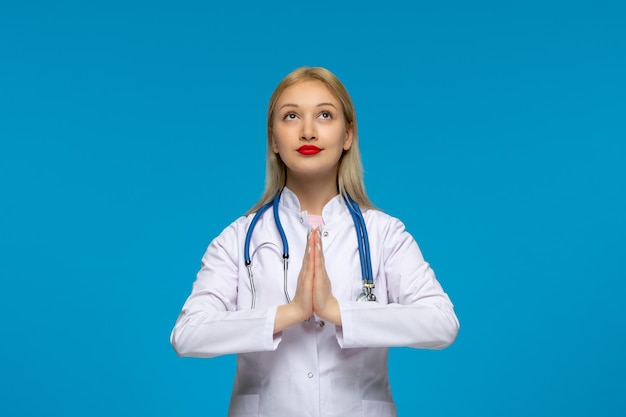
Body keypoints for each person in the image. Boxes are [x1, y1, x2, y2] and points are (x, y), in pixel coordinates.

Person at [170, 66, 459, 417]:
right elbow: (187, 335)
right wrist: (289, 313)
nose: (308, 131)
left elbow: (441, 323)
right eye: (291, 116)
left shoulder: (384, 234)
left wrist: (336, 311)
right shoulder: (238, 238)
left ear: (348, 135)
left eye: (325, 115)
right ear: (274, 140)